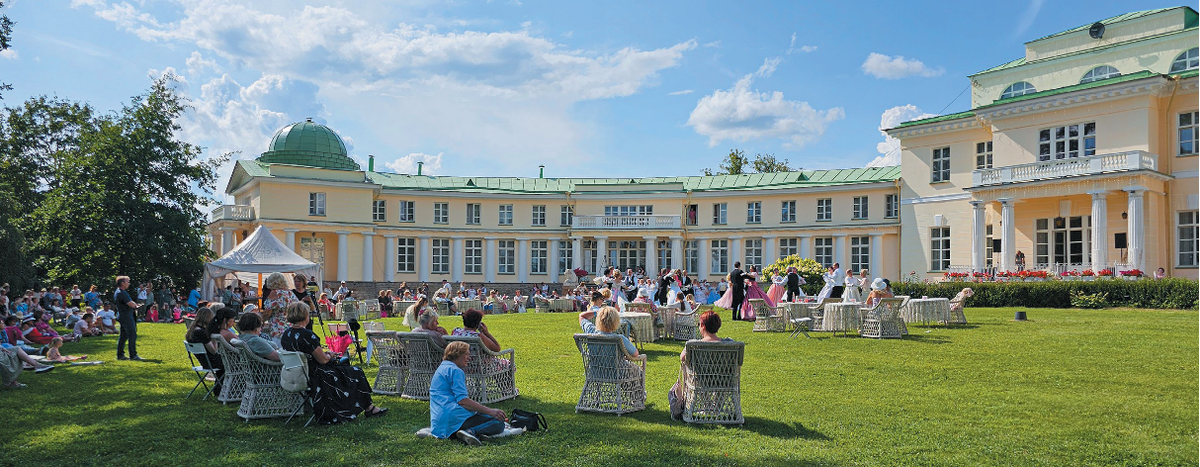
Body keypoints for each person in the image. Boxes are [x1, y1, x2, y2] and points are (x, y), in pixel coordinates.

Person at [281, 302, 386, 423]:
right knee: (357, 372)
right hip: (317, 375)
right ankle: (368, 408)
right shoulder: (307, 335)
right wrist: (329, 355)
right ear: (305, 316)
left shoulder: (286, 334)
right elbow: (322, 360)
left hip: (297, 373)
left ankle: (367, 407)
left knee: (346, 369)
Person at [430, 341, 507, 445]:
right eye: (466, 354)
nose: (468, 358)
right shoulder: (456, 371)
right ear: (457, 354)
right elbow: (463, 401)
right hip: (453, 418)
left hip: (439, 423)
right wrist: (491, 411)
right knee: (498, 423)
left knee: (482, 414)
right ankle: (471, 432)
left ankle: (461, 432)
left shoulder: (441, 368)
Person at [668, 310, 733, 420]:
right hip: (724, 380)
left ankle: (706, 405)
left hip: (701, 380)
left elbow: (682, 358)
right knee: (717, 375)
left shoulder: (694, 344)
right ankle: (716, 406)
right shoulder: (730, 344)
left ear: (703, 326)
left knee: (699, 374)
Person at [185, 307, 222, 395]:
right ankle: (221, 389)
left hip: (204, 361)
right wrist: (214, 337)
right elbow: (213, 350)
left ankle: (219, 389)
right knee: (230, 363)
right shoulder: (201, 333)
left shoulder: (192, 330)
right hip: (211, 362)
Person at [261, 272, 299, 345]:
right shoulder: (290, 293)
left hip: (277, 329)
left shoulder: (274, 293)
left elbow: (267, 313)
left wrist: (259, 319)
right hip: (290, 328)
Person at [113, 276, 141, 361]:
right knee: (132, 335)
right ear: (122, 283)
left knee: (123, 336)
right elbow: (131, 304)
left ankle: (120, 355)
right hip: (127, 317)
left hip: (123, 316)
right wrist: (136, 305)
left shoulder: (118, 292)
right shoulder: (122, 293)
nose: (129, 283)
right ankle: (133, 355)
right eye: (127, 282)